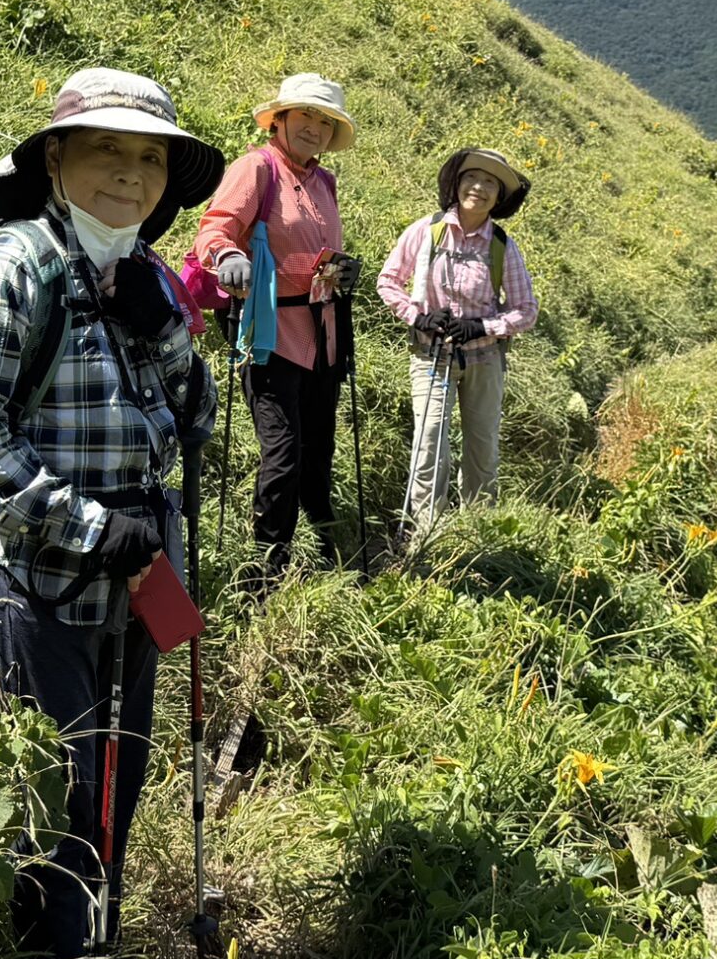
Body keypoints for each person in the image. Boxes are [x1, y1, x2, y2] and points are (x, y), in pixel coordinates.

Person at [0, 66, 221, 959]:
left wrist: (165, 331)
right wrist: (95, 529)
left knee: (112, 785)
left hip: (137, 582)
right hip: (38, 579)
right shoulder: (9, 266)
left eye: (151, 159)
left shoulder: (147, 276)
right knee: (52, 794)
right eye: (108, 150)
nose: (132, 175)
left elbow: (198, 419)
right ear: (55, 158)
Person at [190, 72, 357, 584]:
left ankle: (322, 547)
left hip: (323, 333)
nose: (314, 128)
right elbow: (215, 228)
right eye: (305, 115)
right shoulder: (257, 168)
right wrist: (228, 256)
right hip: (270, 333)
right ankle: (266, 569)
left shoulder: (324, 182)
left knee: (319, 448)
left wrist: (342, 270)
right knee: (283, 453)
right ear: (279, 119)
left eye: (325, 122)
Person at [377, 147, 538, 530]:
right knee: (429, 441)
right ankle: (426, 531)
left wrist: (483, 327)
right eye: (471, 178)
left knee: (482, 448)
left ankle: (476, 530)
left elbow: (526, 310)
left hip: (485, 360)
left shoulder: (501, 246)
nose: (478, 187)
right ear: (456, 183)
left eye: (490, 183)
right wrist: (419, 317)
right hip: (431, 354)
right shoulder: (426, 231)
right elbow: (388, 281)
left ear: (499, 197)